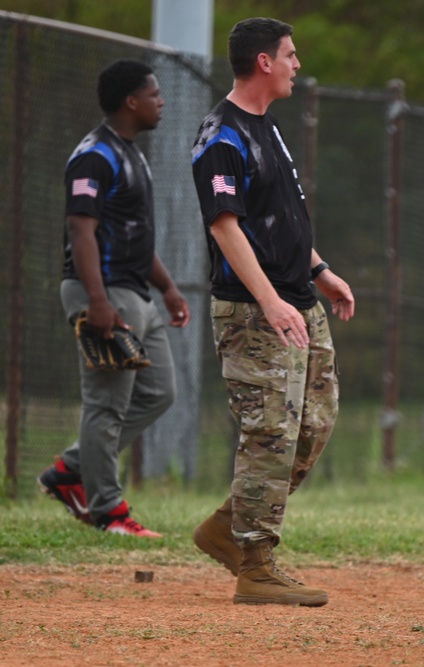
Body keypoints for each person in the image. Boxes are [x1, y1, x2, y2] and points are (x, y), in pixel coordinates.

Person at [190, 17, 356, 608]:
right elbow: (226, 227)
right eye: (290, 55)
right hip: (254, 311)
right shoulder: (221, 137)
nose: (297, 64)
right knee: (271, 433)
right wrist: (269, 300)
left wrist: (317, 271)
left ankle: (225, 527)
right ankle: (255, 564)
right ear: (264, 61)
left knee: (314, 425)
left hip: (297, 301)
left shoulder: (267, 128)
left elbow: (279, 217)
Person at [37, 59, 191, 538]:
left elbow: (134, 237)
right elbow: (81, 229)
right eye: (153, 93)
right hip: (102, 295)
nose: (160, 101)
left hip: (137, 293)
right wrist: (97, 302)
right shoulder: (94, 156)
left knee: (160, 392)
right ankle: (108, 512)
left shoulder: (132, 154)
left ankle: (71, 470)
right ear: (131, 101)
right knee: (105, 406)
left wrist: (166, 287)